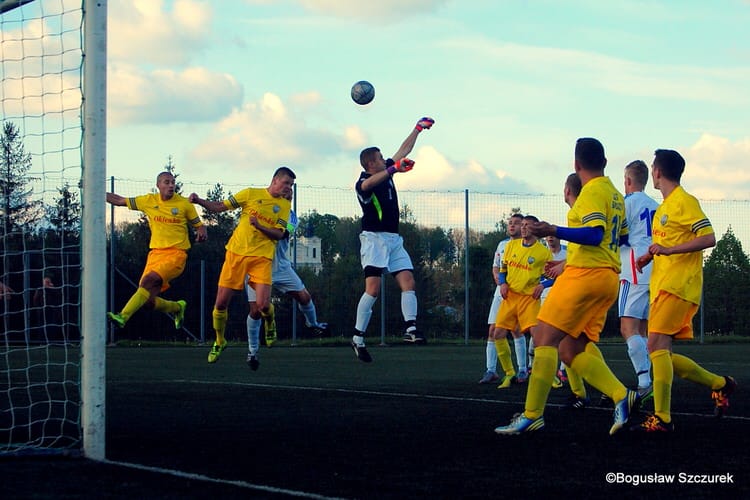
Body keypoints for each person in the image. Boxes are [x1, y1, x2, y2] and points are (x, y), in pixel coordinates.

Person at [494, 137, 638, 436]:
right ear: (605, 162)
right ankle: (621, 395)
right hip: (607, 277)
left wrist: (553, 229)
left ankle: (532, 414)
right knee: (572, 349)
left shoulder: (592, 192)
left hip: (586, 277)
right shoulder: (614, 194)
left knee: (544, 337)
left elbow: (595, 234)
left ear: (576, 164)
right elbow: (621, 237)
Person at [632, 149, 735, 432]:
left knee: (654, 347)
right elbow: (667, 243)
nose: (652, 171)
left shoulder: (684, 201)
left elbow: (709, 237)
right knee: (661, 352)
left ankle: (662, 418)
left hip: (679, 286)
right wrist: (651, 255)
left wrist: (668, 249)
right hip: (663, 286)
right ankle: (720, 384)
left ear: (658, 172)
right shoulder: (663, 208)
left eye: (653, 167)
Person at [190, 167, 295, 364]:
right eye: (286, 183)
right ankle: (220, 341)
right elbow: (221, 206)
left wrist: (259, 226)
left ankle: (270, 323)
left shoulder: (284, 206)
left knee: (263, 305)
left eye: (291, 185)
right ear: (274, 180)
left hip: (262, 258)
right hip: (236, 254)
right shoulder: (250, 194)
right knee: (220, 304)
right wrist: (199, 201)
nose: (288, 188)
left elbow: (280, 234)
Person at [351, 116, 434, 363]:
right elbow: (370, 184)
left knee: (408, 281)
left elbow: (402, 151)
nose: (384, 159)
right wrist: (393, 169)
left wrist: (417, 129)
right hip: (373, 239)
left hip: (394, 239)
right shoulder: (363, 182)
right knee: (373, 290)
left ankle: (410, 329)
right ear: (369, 164)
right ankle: (357, 337)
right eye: (379, 158)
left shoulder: (386, 170)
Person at [106, 172, 207, 330]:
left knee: (147, 282)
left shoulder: (184, 204)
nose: (171, 185)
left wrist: (202, 231)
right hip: (155, 255)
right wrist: (96, 191)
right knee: (147, 301)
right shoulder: (148, 201)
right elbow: (119, 201)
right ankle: (177, 308)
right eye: (167, 182)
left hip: (176, 255)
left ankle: (122, 317)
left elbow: (199, 225)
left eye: (173, 182)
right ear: (158, 185)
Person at [244, 189, 328, 371]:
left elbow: (281, 234)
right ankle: (253, 351)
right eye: (286, 194)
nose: (289, 198)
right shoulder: (262, 207)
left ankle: (312, 324)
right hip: (257, 265)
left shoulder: (292, 218)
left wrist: (259, 225)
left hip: (280, 266)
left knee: (304, 297)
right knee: (256, 310)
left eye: (291, 196)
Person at [492, 214, 553, 389]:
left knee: (538, 337)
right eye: (523, 224)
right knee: (498, 334)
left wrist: (543, 285)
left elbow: (553, 276)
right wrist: (502, 283)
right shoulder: (510, 246)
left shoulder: (543, 252)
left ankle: (546, 375)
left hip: (529, 299)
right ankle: (509, 373)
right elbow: (502, 268)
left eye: (527, 225)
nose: (524, 228)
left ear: (535, 228)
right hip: (510, 297)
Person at [616, 160, 658, 402]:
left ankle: (644, 382)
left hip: (633, 270)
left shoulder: (626, 203)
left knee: (627, 327)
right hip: (653, 269)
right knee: (641, 330)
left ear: (628, 181)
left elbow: (619, 237)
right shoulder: (655, 205)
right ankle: (647, 377)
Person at [478, 213, 522, 384]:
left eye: (516, 223)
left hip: (518, 293)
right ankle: (490, 370)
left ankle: (523, 370)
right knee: (492, 330)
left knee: (515, 329)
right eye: (510, 223)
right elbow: (496, 267)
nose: (512, 226)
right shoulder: (502, 245)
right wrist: (498, 278)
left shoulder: (527, 245)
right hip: (500, 292)